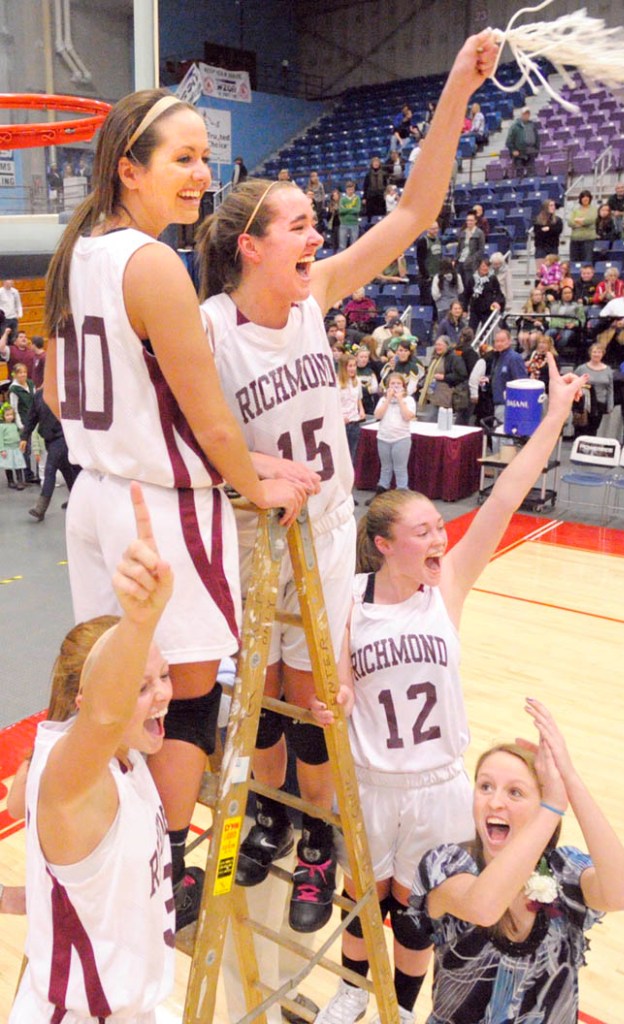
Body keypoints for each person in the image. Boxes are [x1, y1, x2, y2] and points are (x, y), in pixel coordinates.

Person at [196, 30, 502, 932]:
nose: (317, 235)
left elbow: (413, 211)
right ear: (251, 246)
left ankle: (313, 842)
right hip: (251, 532)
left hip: (325, 529)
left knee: (309, 696)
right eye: (298, 224)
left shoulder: (315, 295)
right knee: (254, 695)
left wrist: (454, 91)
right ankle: (265, 817)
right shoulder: (208, 327)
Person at [42, 88, 306, 931]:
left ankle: (116, 855)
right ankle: (167, 870)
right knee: (182, 697)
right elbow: (207, 413)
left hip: (96, 500)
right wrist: (252, 477)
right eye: (182, 158)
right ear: (130, 167)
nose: (202, 174)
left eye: (205, 157)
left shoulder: (77, 247)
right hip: (161, 511)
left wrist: (172, 444)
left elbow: (56, 389)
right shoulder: (152, 263)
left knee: (117, 694)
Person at [313, 361, 590, 1024]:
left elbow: (504, 498)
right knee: (361, 898)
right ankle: (353, 990)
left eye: (440, 526)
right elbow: (340, 680)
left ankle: (399, 1009)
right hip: (370, 779)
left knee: (416, 914)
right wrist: (339, 699)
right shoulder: (348, 599)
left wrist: (554, 416)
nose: (442, 537)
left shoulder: (450, 587)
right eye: (425, 532)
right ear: (384, 547)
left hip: (437, 784)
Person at [9, 484, 176, 1022]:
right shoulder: (74, 777)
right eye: (142, 685)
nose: (164, 693)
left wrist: (25, 902)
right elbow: (103, 715)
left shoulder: (129, 760)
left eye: (164, 675)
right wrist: (140, 620)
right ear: (88, 699)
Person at [409, 700, 624, 1024]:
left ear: (539, 806)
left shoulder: (563, 870)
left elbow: (622, 895)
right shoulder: (445, 865)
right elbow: (484, 907)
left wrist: (569, 780)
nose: (495, 801)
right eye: (485, 786)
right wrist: (552, 806)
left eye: (515, 792)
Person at [20, 388, 79, 520]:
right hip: (49, 439)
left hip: (62, 437)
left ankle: (41, 508)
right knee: (66, 470)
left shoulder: (65, 392)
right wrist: (24, 437)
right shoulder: (38, 396)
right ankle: (78, 500)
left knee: (50, 469)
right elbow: (32, 417)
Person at [573, 342, 614, 437]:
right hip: (583, 404)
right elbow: (573, 384)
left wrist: (610, 405)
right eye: (594, 352)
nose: (596, 354)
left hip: (599, 405)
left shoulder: (608, 370)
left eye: (599, 352)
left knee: (593, 429)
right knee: (580, 429)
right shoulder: (581, 369)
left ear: (603, 354)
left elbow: (610, 389)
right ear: (590, 353)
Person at [338, 354, 365, 471]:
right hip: (341, 424)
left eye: (354, 366)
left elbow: (358, 398)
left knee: (352, 455)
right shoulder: (336, 383)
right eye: (350, 366)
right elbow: (333, 403)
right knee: (340, 455)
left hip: (354, 422)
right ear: (343, 367)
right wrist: (339, 418)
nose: (353, 368)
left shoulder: (357, 381)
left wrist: (361, 410)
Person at [506, 107, 540, 177]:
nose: (526, 115)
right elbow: (508, 141)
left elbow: (537, 138)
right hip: (519, 154)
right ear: (521, 114)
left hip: (531, 152)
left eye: (528, 114)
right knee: (519, 174)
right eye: (525, 114)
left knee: (532, 173)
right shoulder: (515, 127)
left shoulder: (532, 125)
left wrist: (537, 149)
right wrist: (513, 150)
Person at [0, 402, 26, 489]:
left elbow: (18, 435)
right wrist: (2, 449)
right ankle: (10, 481)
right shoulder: (2, 426)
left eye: (11, 414)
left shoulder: (15, 425)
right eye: (7, 415)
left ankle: (20, 481)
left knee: (18, 464)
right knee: (8, 465)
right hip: (7, 448)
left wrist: (21, 444)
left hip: (16, 448)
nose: (10, 417)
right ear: (3, 416)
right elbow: (0, 439)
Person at [568, 190, 597, 264]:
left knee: (587, 261)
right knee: (574, 262)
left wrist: (579, 221)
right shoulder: (575, 210)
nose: (585, 199)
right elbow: (570, 222)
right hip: (575, 239)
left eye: (587, 197)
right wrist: (581, 222)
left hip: (588, 240)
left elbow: (591, 219)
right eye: (583, 197)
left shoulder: (594, 209)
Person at [338, 181, 362, 250]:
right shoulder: (342, 199)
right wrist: (352, 209)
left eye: (352, 189)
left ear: (354, 189)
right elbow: (341, 211)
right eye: (349, 189)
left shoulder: (357, 198)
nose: (350, 191)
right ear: (346, 190)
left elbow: (357, 210)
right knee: (342, 246)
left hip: (354, 224)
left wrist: (346, 209)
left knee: (354, 246)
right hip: (343, 224)